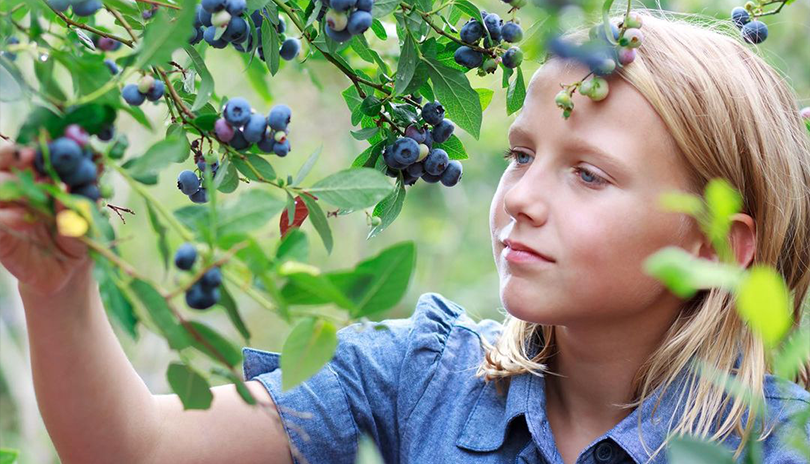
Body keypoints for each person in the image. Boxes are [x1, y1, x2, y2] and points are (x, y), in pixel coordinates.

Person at [1, 8, 809, 464]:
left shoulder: (778, 444)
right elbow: (135, 452)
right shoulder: (421, 376)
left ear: (713, 246)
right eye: (522, 154)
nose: (521, 198)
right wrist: (60, 291)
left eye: (588, 174)